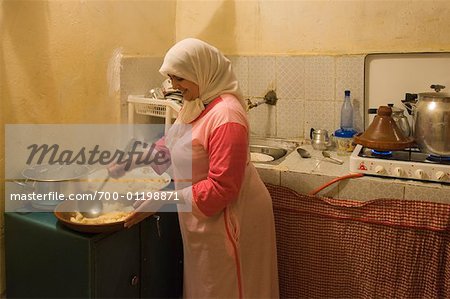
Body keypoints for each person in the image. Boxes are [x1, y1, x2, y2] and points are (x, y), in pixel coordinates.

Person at [110, 38, 279, 299]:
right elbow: (174, 144)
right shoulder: (196, 104)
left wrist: (162, 199)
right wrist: (132, 160)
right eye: (171, 78)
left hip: (233, 219)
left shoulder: (227, 117)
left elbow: (223, 188)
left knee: (230, 287)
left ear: (202, 71)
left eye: (180, 79)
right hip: (203, 217)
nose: (174, 86)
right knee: (207, 285)